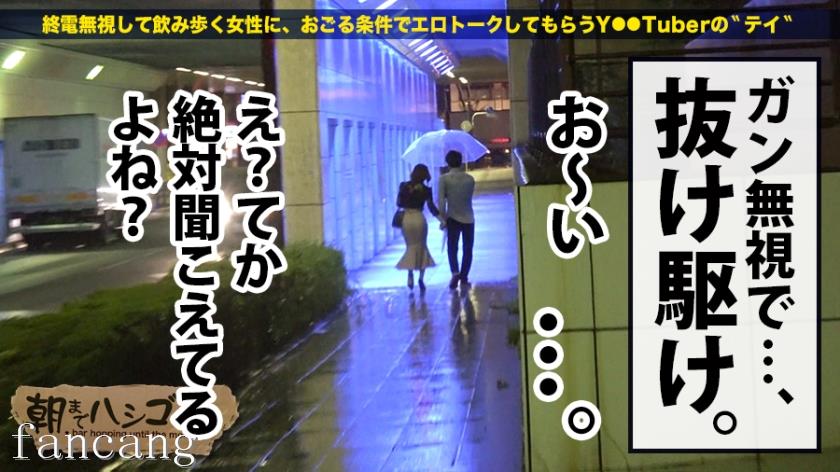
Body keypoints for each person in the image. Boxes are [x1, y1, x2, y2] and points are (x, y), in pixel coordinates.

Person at [396, 164, 444, 292]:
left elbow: (398, 203)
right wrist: (442, 220)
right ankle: (421, 279)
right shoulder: (426, 190)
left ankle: (410, 274)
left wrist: (408, 194)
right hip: (419, 219)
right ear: (425, 175)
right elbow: (431, 208)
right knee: (422, 247)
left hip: (406, 219)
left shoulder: (403, 186)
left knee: (410, 247)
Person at [437, 150, 476, 289]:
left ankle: (455, 272)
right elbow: (468, 197)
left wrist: (442, 219)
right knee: (468, 248)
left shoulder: (444, 179)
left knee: (452, 247)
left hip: (452, 217)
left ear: (447, 163)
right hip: (469, 217)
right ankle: (464, 276)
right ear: (461, 162)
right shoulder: (470, 179)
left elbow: (441, 201)